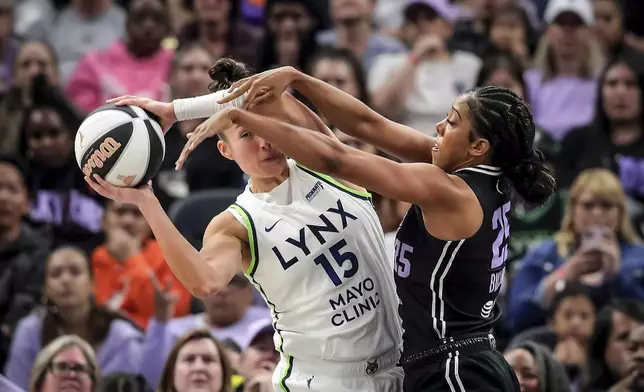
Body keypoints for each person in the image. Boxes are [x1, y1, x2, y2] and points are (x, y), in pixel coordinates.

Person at [172, 65, 555, 391]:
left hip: (452, 369)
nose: (439, 127)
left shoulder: (450, 190)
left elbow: (336, 157)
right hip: (453, 362)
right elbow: (368, 124)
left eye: (452, 123)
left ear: (478, 146)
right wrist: (296, 79)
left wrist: (244, 118)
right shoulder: (477, 171)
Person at [88, 58, 403, 392]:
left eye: (268, 126)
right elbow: (205, 282)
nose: (265, 141)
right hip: (321, 382)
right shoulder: (236, 224)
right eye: (247, 134)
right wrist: (147, 203)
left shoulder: (326, 161)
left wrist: (175, 110)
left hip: (403, 361)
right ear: (226, 150)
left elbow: (271, 92)